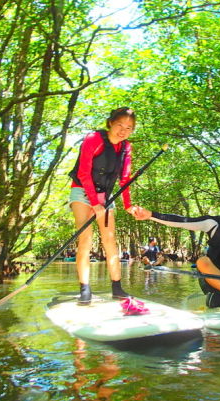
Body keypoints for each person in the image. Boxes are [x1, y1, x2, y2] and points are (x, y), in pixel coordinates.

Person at [68, 107, 137, 305]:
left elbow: (125, 179)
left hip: (105, 195)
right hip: (82, 190)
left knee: (109, 240)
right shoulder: (93, 139)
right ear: (110, 123)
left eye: (129, 128)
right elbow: (83, 172)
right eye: (119, 125)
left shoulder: (126, 148)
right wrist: (94, 202)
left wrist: (128, 205)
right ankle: (85, 289)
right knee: (85, 239)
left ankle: (117, 288)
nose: (123, 130)